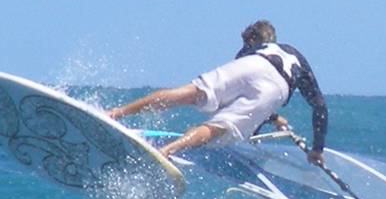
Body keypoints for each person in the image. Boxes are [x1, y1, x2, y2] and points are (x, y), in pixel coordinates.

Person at [109, 20, 329, 164]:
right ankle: (167, 151)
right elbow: (319, 107)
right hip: (278, 87)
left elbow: (238, 91)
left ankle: (116, 113)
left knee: (191, 92)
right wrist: (317, 149)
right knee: (219, 127)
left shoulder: (250, 52)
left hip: (254, 64)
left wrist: (271, 119)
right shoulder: (295, 55)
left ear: (252, 40)